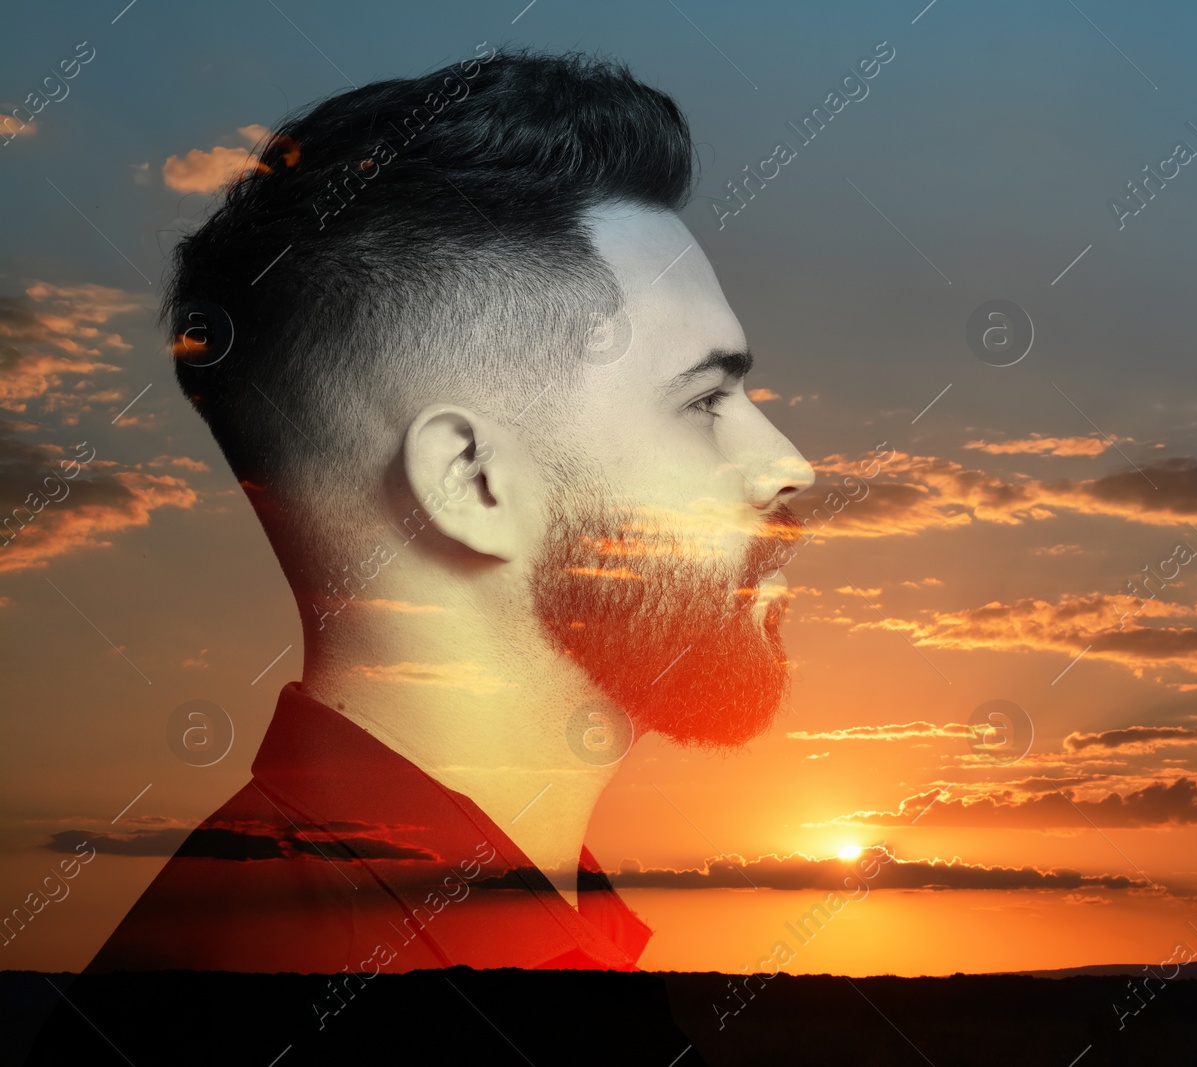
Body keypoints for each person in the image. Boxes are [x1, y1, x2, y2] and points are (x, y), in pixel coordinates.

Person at [86, 43, 814, 978]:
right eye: (703, 402)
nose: (788, 465)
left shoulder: (530, 936)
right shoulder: (283, 993)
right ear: (471, 484)